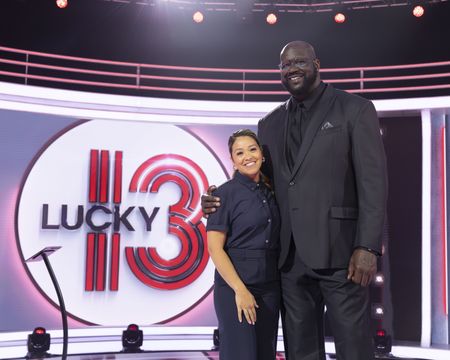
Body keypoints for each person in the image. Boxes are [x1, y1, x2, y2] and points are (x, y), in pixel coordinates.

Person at [202, 41, 387, 360]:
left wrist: (367, 246)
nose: (292, 70)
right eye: (285, 66)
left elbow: (373, 182)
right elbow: (263, 181)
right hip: (288, 259)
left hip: (342, 253)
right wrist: (218, 198)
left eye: (299, 62)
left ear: (317, 64)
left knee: (354, 345)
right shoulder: (269, 122)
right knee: (300, 349)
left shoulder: (354, 109)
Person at [206, 129, 281, 360]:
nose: (247, 156)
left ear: (262, 154)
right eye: (239, 153)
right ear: (233, 161)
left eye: (252, 149)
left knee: (264, 354)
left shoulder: (272, 191)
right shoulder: (223, 194)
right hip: (235, 288)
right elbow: (215, 248)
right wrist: (240, 290)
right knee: (241, 354)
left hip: (269, 287)